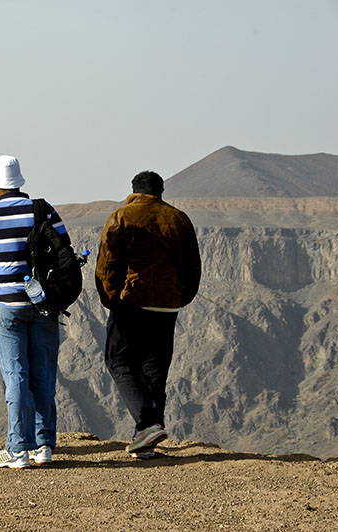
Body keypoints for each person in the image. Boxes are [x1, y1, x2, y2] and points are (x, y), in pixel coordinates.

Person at [0, 155, 70, 469]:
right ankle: (44, 446)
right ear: (20, 182)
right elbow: (64, 245)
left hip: (7, 307)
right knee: (44, 375)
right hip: (43, 304)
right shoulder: (44, 209)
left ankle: (17, 450)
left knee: (16, 376)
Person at [94, 170, 202, 458]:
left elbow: (107, 262)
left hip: (132, 302)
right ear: (161, 191)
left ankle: (147, 423)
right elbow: (193, 267)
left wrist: (110, 298)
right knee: (155, 368)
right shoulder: (179, 219)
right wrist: (180, 297)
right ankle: (146, 443)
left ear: (133, 190)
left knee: (119, 360)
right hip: (168, 304)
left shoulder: (122, 217)